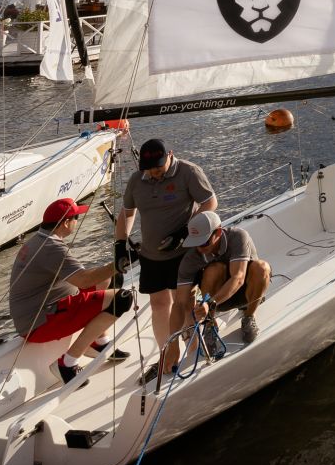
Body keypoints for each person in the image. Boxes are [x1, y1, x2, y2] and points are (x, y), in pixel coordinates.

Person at [114, 139, 217, 373]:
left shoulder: (188, 172)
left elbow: (210, 202)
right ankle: (166, 354)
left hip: (183, 253)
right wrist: (120, 244)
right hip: (152, 256)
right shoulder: (136, 181)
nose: (154, 173)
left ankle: (194, 352)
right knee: (158, 305)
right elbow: (127, 213)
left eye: (158, 168)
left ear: (170, 155)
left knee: (184, 303)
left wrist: (185, 232)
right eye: (149, 169)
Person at [8, 197, 132, 383]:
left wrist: (113, 269)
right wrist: (121, 263)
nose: (76, 222)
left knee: (110, 278)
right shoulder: (52, 247)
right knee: (122, 299)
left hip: (41, 312)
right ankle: (67, 363)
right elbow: (84, 281)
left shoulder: (39, 240)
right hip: (39, 324)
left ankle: (98, 342)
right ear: (66, 223)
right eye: (76, 218)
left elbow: (86, 279)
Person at [174, 210, 270, 346]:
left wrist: (210, 303)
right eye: (196, 243)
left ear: (218, 232)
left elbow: (238, 277)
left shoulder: (238, 236)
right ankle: (210, 326)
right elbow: (179, 303)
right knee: (213, 270)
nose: (199, 249)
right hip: (217, 303)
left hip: (247, 295)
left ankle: (249, 316)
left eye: (204, 243)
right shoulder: (191, 258)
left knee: (262, 267)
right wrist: (172, 344)